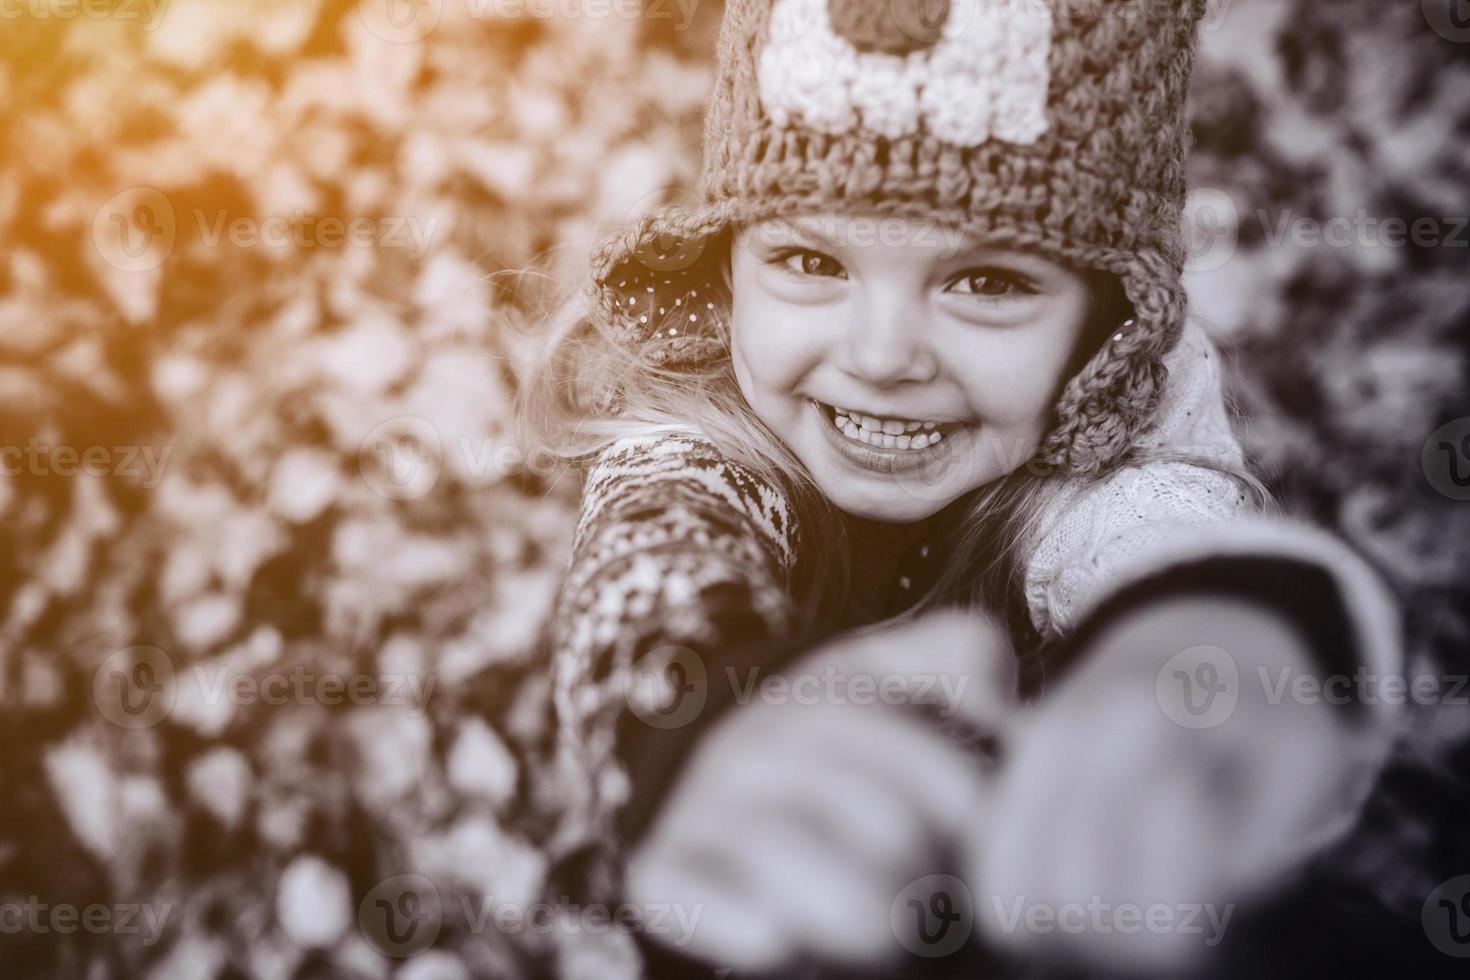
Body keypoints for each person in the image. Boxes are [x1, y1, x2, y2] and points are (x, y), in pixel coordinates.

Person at [516, 0, 1403, 974]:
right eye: (810, 262)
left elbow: (1159, 527)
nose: (883, 355)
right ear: (731, 271)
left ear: (1101, 321)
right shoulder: (701, 433)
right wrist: (698, 722)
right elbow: (652, 554)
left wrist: (1208, 636)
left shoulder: (1096, 459)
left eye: (986, 282)